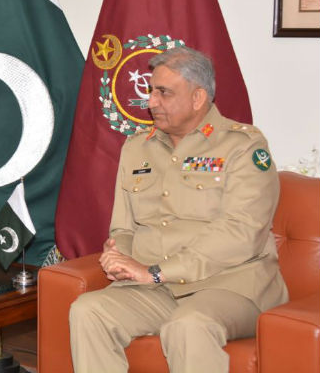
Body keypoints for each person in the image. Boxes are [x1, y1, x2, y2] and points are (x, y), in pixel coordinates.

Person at [68, 47, 288, 373]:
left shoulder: (243, 146)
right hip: (156, 287)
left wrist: (157, 271)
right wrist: (119, 257)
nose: (150, 102)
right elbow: (124, 228)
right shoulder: (137, 147)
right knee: (88, 310)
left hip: (230, 285)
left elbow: (242, 233)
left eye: (164, 93)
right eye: (151, 91)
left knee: (187, 326)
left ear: (198, 98)